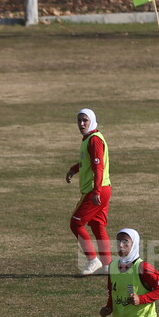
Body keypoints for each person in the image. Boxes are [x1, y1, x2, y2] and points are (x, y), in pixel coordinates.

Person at [65, 108, 112, 276]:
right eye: (79, 120)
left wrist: (96, 192)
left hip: (95, 190)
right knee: (97, 225)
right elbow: (88, 162)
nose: (81, 123)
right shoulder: (89, 139)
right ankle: (107, 265)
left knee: (76, 223)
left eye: (85, 120)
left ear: (92, 120)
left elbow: (98, 167)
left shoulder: (94, 140)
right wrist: (74, 169)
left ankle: (93, 259)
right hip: (103, 189)